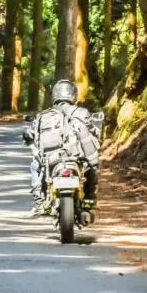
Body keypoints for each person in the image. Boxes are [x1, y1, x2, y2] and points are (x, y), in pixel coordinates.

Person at [23, 79, 104, 215]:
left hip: (52, 159)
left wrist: (28, 137)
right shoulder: (82, 112)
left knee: (36, 165)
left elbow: (31, 134)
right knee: (92, 165)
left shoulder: (43, 115)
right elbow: (94, 131)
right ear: (73, 95)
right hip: (76, 157)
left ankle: (39, 203)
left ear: (54, 95)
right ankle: (90, 198)